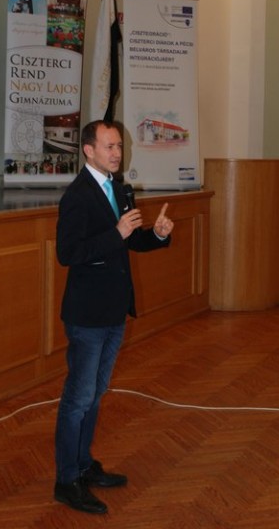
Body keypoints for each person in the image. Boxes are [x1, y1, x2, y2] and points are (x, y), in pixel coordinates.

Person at [54, 119, 174, 514]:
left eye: (119, 145)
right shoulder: (77, 196)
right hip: (87, 315)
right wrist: (117, 233)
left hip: (114, 310)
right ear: (88, 150)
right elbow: (68, 253)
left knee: (95, 394)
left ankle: (83, 465)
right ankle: (66, 480)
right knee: (78, 399)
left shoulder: (120, 190)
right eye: (109, 146)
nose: (117, 153)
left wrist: (157, 234)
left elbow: (131, 240)